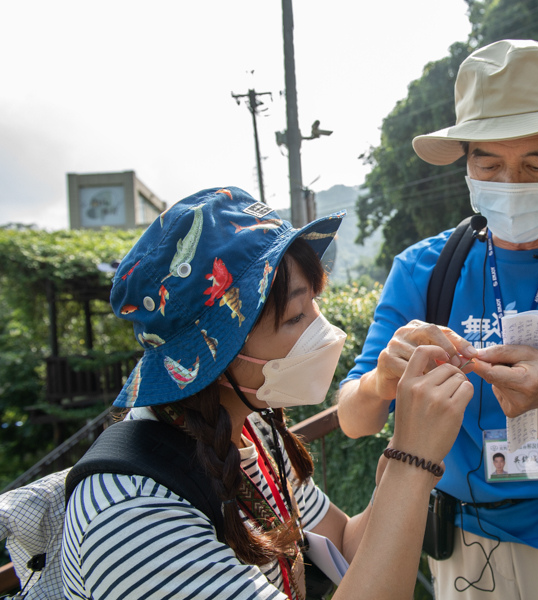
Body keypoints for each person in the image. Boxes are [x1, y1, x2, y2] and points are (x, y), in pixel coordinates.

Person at [337, 39, 538, 599]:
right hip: (462, 542)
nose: (510, 184)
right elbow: (353, 420)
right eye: (487, 163)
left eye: (537, 163)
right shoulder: (424, 269)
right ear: (466, 166)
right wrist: (381, 379)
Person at [61, 187, 473, 600]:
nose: (324, 331)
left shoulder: (250, 431)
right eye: (296, 316)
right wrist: (411, 463)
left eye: (315, 302)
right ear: (215, 351)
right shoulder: (133, 517)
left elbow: (348, 542)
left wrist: (406, 441)